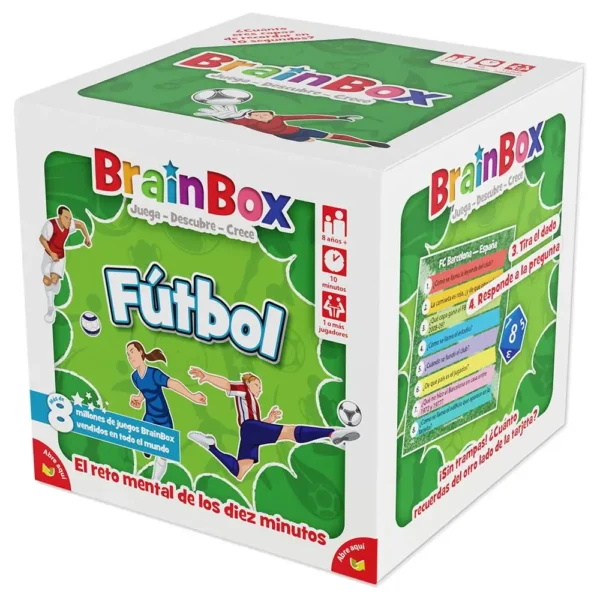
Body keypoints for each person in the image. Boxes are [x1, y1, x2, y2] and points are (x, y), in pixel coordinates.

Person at [186, 368, 359, 481]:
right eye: (257, 385)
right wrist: (207, 376)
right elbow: (227, 384)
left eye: (260, 386)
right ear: (248, 384)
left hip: (249, 432)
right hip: (250, 428)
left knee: (239, 471)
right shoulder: (244, 390)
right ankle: (331, 433)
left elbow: (258, 426)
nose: (259, 389)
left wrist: (269, 419)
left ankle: (211, 446)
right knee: (290, 432)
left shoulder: (252, 402)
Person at [126, 341, 207, 481]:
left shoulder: (154, 374)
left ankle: (154, 482)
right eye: (128, 354)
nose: (130, 357)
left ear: (140, 352)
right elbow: (145, 390)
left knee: (163, 454)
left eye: (132, 352)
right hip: (150, 416)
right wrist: (139, 399)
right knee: (144, 441)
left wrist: (192, 396)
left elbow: (173, 384)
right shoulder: (135, 377)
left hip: (163, 418)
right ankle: (148, 449)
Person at [197, 106, 390, 148]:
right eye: (256, 115)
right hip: (289, 138)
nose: (260, 116)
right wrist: (221, 117)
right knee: (310, 142)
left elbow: (308, 116)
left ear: (271, 114)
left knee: (330, 136)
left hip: (297, 131)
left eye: (263, 114)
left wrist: (338, 117)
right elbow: (234, 122)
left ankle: (367, 142)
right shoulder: (250, 123)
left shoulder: (280, 117)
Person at [39, 205, 91, 323]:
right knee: (47, 281)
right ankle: (51, 305)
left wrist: (87, 238)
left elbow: (81, 225)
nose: (69, 221)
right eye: (66, 217)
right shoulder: (50, 225)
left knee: (53, 279)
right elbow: (42, 239)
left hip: (60, 257)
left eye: (70, 218)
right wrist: (51, 253)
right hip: (48, 257)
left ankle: (51, 308)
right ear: (59, 216)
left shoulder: (69, 225)